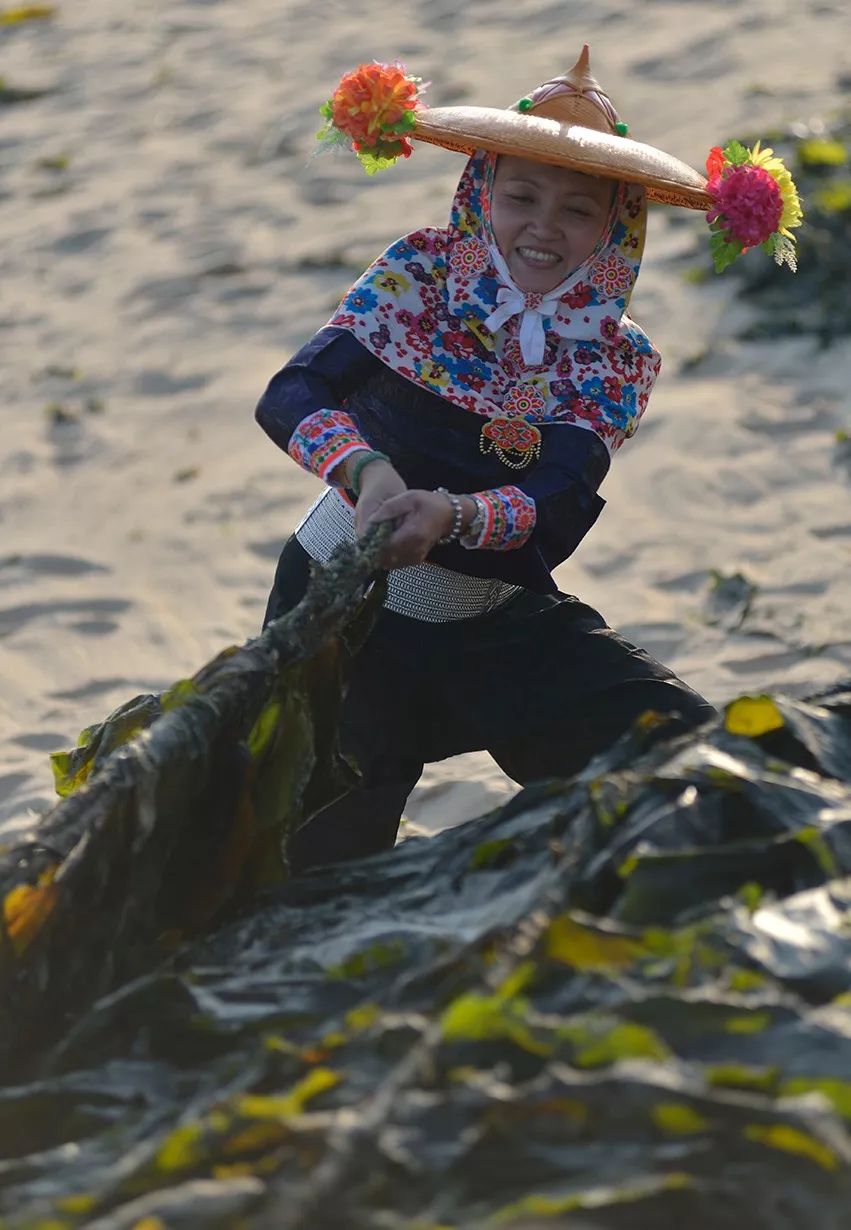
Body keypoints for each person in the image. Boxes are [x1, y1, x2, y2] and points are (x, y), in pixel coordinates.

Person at [255, 48, 800, 872]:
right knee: (318, 867)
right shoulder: (418, 272)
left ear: (617, 227)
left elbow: (561, 496)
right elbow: (291, 393)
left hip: (493, 623)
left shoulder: (618, 357)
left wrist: (457, 515)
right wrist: (367, 473)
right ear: (480, 191)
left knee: (682, 762)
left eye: (578, 210)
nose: (543, 225)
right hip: (341, 616)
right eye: (520, 196)